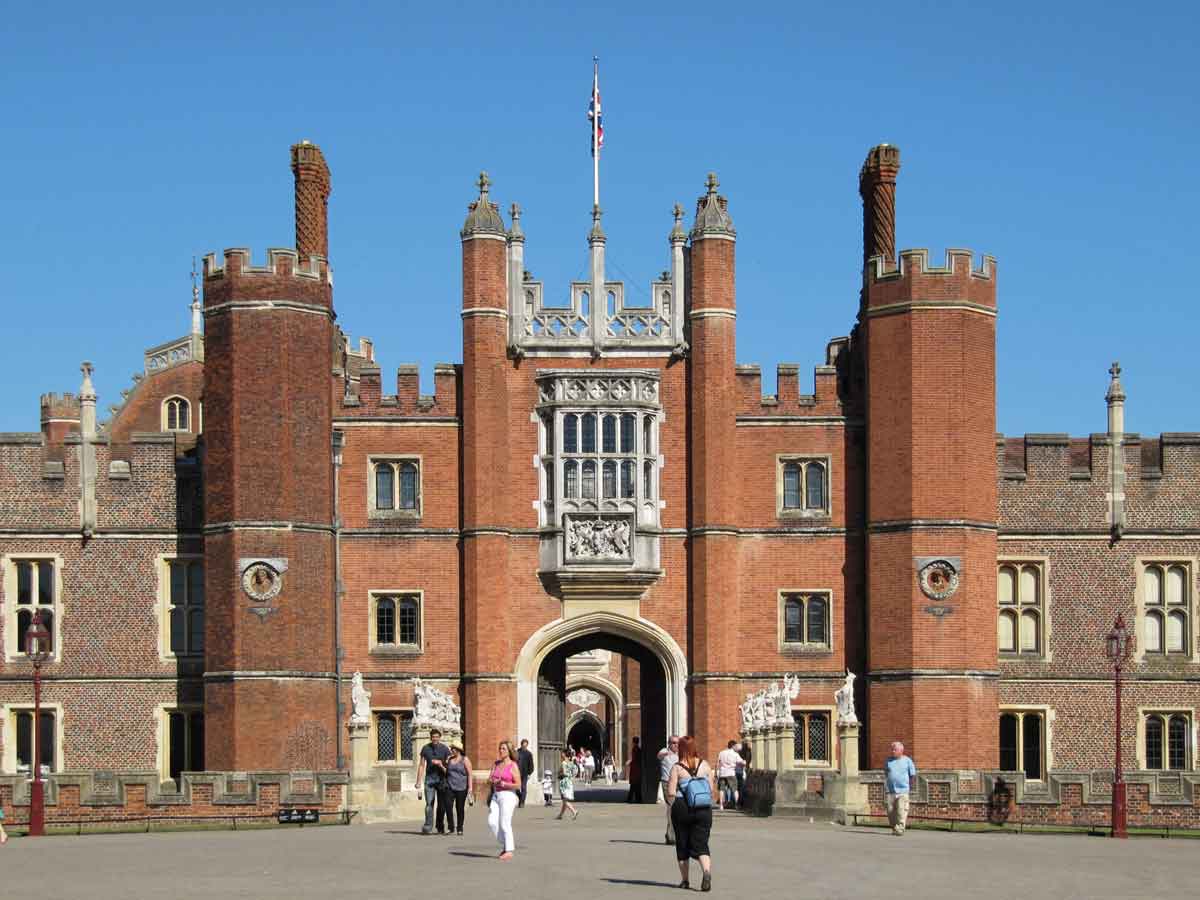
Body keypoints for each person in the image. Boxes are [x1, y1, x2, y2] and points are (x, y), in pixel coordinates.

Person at [666, 735, 716, 892]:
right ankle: (706, 872)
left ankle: (685, 880)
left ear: (680, 749)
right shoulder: (705, 765)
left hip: (683, 808)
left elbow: (671, 792)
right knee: (701, 844)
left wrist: (671, 802)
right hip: (703, 808)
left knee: (682, 843)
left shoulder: (677, 767)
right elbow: (711, 789)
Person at [487, 740, 521, 860]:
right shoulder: (496, 764)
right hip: (496, 795)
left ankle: (509, 850)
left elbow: (518, 785)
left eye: (504, 749)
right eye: (500, 748)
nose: (501, 751)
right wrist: (493, 781)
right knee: (492, 821)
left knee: (504, 823)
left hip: (508, 795)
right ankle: (506, 843)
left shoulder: (513, 765)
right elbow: (489, 778)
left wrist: (504, 783)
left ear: (509, 751)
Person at [415, 728, 452, 835]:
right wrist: (418, 781)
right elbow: (422, 765)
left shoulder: (445, 749)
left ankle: (440, 827)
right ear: (430, 738)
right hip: (429, 779)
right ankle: (428, 827)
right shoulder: (425, 748)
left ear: (439, 738)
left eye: (437, 737)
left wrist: (441, 763)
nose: (435, 739)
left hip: (441, 779)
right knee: (429, 804)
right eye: (433, 737)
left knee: (441, 806)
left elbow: (449, 764)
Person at [884, 741, 917, 836]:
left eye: (895, 750)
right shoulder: (888, 761)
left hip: (903, 790)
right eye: (892, 749)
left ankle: (901, 828)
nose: (892, 751)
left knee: (901, 810)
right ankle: (895, 827)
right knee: (890, 811)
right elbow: (886, 772)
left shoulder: (907, 760)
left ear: (901, 751)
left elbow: (912, 775)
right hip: (891, 791)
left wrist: (908, 785)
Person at [446, 745, 474, 836]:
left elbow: (470, 774)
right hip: (450, 786)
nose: (452, 750)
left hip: (462, 787)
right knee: (448, 805)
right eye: (451, 749)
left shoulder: (465, 759)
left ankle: (460, 828)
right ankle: (451, 827)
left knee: (460, 808)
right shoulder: (450, 759)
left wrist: (470, 788)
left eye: (454, 749)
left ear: (458, 750)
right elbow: (446, 771)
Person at [658, 735, 680, 843]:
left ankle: (669, 835)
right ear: (669, 743)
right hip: (667, 783)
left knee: (677, 809)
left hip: (679, 783)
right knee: (672, 807)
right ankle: (672, 837)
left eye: (677, 743)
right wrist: (668, 753)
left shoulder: (680, 754)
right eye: (674, 743)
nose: (676, 745)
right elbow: (659, 755)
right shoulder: (664, 751)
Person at [556, 748, 579, 821]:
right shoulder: (571, 763)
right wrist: (572, 776)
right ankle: (560, 815)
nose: (561, 754)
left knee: (564, 799)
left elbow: (564, 772)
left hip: (564, 782)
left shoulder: (564, 763)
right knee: (564, 799)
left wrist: (560, 773)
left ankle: (574, 811)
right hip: (569, 781)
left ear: (565, 754)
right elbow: (576, 770)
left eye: (562, 753)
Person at [717, 740, 741, 810]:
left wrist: (716, 773)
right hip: (731, 773)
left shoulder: (721, 753)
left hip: (722, 773)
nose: (736, 747)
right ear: (733, 746)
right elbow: (741, 761)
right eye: (736, 746)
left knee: (722, 789)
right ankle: (736, 805)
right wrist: (744, 762)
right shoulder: (735, 754)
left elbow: (718, 763)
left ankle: (721, 805)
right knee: (735, 790)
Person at [516, 739, 535, 808]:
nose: (524, 746)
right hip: (517, 773)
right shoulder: (517, 752)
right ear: (521, 745)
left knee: (523, 788)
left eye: (526, 745)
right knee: (516, 788)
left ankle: (522, 802)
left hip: (525, 773)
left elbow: (531, 764)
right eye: (523, 745)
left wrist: (529, 773)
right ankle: (521, 798)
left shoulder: (529, 754)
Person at [626, 736, 643, 803]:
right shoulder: (638, 749)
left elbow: (634, 759)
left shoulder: (635, 749)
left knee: (634, 785)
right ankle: (637, 799)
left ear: (633, 742)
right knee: (636, 785)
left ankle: (632, 799)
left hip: (635, 769)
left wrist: (629, 762)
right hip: (637, 769)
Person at [736, 735, 751, 808]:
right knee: (742, 787)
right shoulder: (748, 751)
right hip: (744, 770)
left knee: (740, 788)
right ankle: (741, 803)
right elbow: (746, 761)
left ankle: (740, 803)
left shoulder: (740, 752)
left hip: (740, 770)